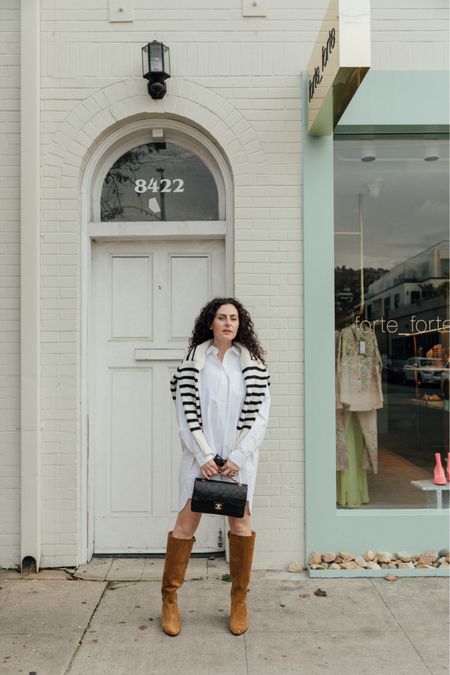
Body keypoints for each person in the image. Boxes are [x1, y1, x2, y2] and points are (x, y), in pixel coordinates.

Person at [161, 297, 271, 637]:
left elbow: (260, 419)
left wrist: (236, 458)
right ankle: (169, 598)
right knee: (185, 526)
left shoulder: (253, 366)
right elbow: (184, 416)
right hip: (201, 461)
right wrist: (205, 456)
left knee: (241, 527)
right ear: (210, 323)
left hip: (239, 464)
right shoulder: (192, 365)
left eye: (233, 318)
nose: (227, 323)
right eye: (221, 317)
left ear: (240, 324)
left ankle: (239, 600)